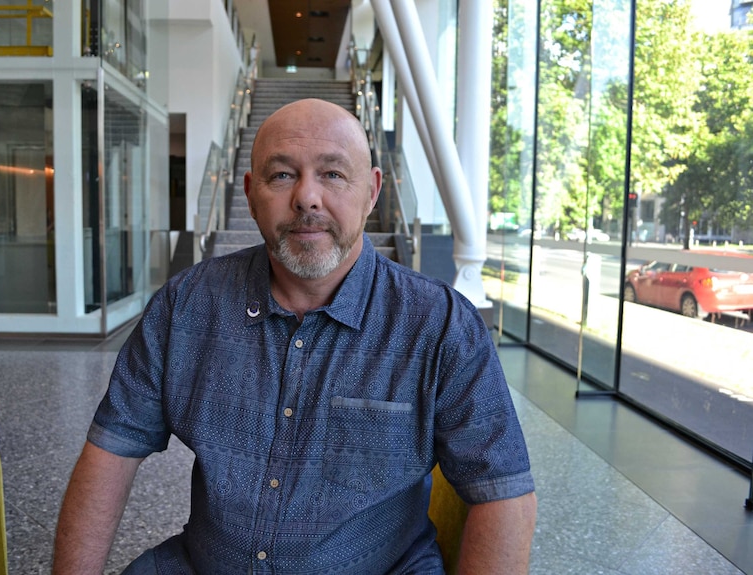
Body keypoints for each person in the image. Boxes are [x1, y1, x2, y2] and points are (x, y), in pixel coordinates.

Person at [53, 98, 537, 574]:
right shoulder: (186, 306)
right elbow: (111, 452)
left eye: (332, 174)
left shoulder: (440, 326)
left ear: (371, 192)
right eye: (282, 174)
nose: (306, 197)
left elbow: (503, 494)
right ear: (250, 192)